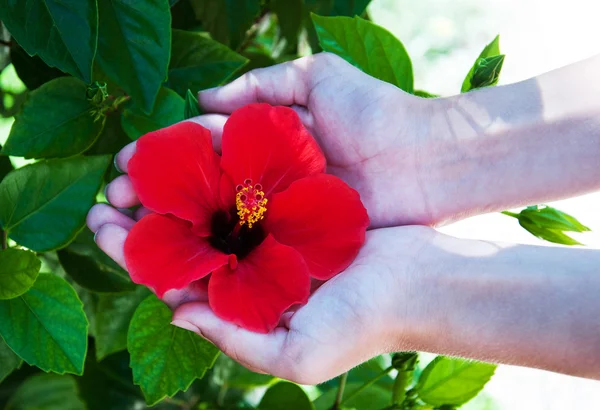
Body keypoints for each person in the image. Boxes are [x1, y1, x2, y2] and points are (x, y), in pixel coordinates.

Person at [87, 52, 600, 384]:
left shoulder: (265, 210)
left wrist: (409, 299)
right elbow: (176, 180)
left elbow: (323, 231)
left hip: (255, 262)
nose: (251, 208)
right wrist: (433, 149)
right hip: (204, 237)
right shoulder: (244, 198)